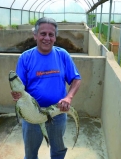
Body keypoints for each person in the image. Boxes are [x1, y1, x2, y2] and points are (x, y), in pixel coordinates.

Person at [11, 17, 81, 159]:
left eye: (51, 34)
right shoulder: (25, 58)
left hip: (58, 113)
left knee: (58, 151)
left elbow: (76, 79)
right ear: (35, 35)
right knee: (30, 154)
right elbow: (19, 88)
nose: (47, 38)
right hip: (32, 115)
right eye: (43, 34)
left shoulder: (62, 55)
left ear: (55, 37)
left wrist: (68, 97)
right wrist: (17, 95)